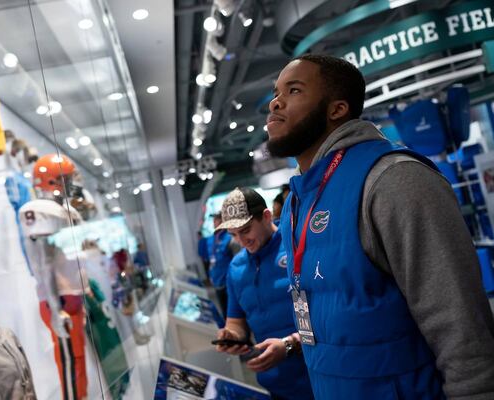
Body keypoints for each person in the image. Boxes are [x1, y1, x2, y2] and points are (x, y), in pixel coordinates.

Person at [266, 53, 494, 399]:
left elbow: (460, 325)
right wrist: (294, 343)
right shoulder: (298, 201)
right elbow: (348, 311)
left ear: (337, 109)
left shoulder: (394, 180)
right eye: (276, 91)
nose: (275, 102)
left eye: (293, 90)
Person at [215, 187, 314, 400]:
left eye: (246, 230)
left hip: (317, 379)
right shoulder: (236, 268)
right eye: (234, 235)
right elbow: (235, 322)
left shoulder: (297, 249)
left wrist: (289, 344)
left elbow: (323, 315)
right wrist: (231, 336)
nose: (241, 241)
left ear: (266, 216)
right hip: (275, 386)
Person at [208, 213, 240, 317]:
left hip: (229, 283)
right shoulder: (213, 239)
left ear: (222, 221)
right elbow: (212, 259)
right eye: (213, 221)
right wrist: (211, 274)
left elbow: (238, 260)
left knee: (235, 313)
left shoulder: (230, 238)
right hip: (217, 282)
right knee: (225, 313)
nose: (214, 223)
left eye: (216, 220)